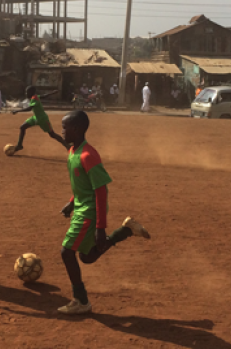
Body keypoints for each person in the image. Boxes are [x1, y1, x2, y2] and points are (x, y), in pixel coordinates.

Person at [56, 110, 150, 314]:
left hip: (90, 210)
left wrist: (100, 227)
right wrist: (71, 203)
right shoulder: (73, 151)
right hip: (81, 207)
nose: (61, 131)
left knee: (67, 252)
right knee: (87, 256)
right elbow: (83, 185)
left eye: (65, 128)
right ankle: (126, 231)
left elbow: (100, 191)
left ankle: (81, 301)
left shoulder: (88, 155)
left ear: (77, 129)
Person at [11, 86, 67, 154]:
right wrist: (52, 93)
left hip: (43, 119)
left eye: (27, 92)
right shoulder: (35, 96)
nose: (26, 93)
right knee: (22, 127)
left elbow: (29, 108)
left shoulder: (34, 98)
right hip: (36, 117)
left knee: (52, 134)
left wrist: (17, 111)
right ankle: (19, 145)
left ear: (31, 92)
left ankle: (67, 145)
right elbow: (44, 96)